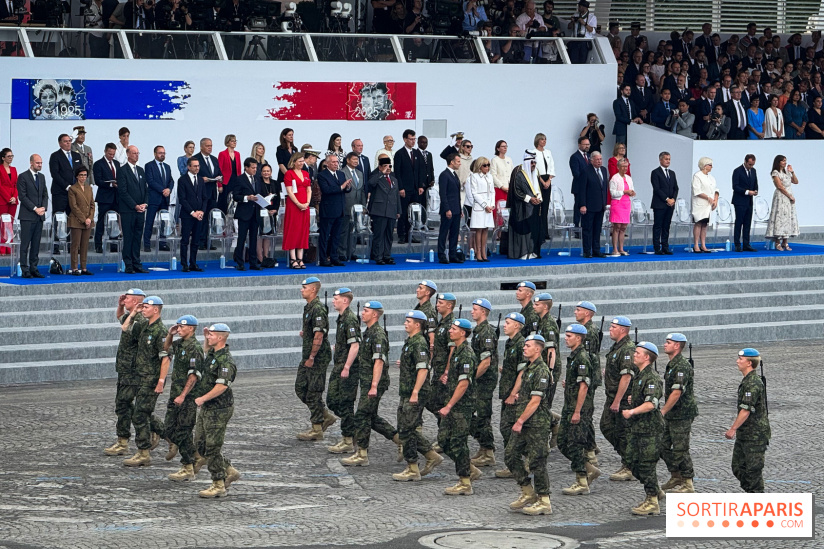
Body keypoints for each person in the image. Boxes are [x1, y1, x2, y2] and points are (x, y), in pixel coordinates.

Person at [341, 301, 401, 467]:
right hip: (368, 381)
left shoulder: (377, 334)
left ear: (375, 314)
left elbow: (379, 362)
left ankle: (362, 453)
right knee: (371, 417)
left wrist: (374, 385)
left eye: (366, 311)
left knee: (361, 415)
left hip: (375, 383)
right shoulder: (368, 332)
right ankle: (400, 440)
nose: (362, 314)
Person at [506, 332, 553, 516]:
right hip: (525, 421)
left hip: (536, 423)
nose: (524, 348)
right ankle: (527, 491)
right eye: (524, 345)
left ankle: (544, 500)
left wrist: (520, 420)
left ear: (538, 349)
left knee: (537, 461)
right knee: (510, 455)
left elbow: (536, 401)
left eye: (528, 345)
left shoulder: (541, 370)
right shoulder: (529, 367)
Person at [393, 310, 443, 481]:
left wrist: (415, 392)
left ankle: (412, 467)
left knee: (406, 429)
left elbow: (423, 369)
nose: (405, 323)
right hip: (407, 392)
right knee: (406, 428)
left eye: (409, 321)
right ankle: (431, 455)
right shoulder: (411, 342)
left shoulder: (419, 343)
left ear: (417, 325)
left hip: (415, 393)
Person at [122, 295, 169, 467]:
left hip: (151, 379)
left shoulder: (160, 331)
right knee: (142, 413)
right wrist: (134, 312)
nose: (144, 309)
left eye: (147, 307)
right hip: (140, 377)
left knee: (140, 414)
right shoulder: (144, 327)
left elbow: (165, 358)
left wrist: (161, 381)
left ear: (156, 310)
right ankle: (173, 439)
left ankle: (143, 453)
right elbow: (125, 327)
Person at [195, 323, 240, 498]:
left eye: (212, 335)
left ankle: (218, 484)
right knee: (200, 444)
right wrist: (206, 335)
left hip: (219, 408)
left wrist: (203, 398)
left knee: (212, 446)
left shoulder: (226, 361)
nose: (208, 337)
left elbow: (221, 386)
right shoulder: (214, 354)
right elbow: (207, 350)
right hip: (208, 407)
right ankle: (229, 469)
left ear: (221, 338)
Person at [103, 288, 147, 457]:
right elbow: (120, 317)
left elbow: (124, 326)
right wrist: (120, 306)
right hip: (124, 369)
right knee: (124, 405)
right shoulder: (132, 316)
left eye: (127, 298)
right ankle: (122, 441)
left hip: (132, 370)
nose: (124, 299)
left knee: (126, 405)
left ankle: (157, 431)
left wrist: (130, 313)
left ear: (136, 302)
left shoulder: (140, 319)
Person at [439, 318, 481, 496]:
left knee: (458, 442)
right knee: (443, 441)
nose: (450, 331)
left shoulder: (466, 354)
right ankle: (469, 469)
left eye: (454, 329)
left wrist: (449, 405)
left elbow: (464, 383)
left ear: (462, 333)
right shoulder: (457, 351)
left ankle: (465, 482)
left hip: (461, 407)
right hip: (453, 404)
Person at [621, 341, 664, 515]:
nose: (634, 355)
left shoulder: (652, 378)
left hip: (649, 429)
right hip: (637, 428)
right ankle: (654, 489)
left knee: (646, 465)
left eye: (638, 353)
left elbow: (651, 404)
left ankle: (652, 500)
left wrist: (632, 411)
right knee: (631, 461)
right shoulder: (639, 375)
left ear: (647, 357)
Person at [162, 315, 205, 482]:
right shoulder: (179, 344)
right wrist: (170, 334)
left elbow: (194, 376)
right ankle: (195, 455)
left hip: (187, 397)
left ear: (191, 329)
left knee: (183, 432)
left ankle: (187, 466)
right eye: (178, 326)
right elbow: (166, 350)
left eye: (181, 327)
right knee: (168, 429)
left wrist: (182, 395)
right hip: (176, 394)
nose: (178, 329)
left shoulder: (194, 348)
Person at [558, 323, 598, 495]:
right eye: (566, 335)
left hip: (578, 408)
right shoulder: (574, 356)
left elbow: (584, 387)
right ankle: (589, 468)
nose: (566, 338)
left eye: (569, 336)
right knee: (562, 442)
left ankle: (581, 481)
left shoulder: (581, 357)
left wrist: (577, 411)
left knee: (574, 444)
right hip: (570, 405)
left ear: (579, 338)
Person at [295, 277, 335, 441]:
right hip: (309, 354)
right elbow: (314, 332)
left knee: (313, 392)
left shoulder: (318, 309)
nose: (301, 290)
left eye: (304, 287)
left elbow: (319, 335)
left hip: (317, 356)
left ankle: (317, 428)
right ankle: (325, 415)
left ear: (313, 290)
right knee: (300, 388)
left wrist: (312, 356)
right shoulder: (309, 307)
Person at [725, 348, 771, 493]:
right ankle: (753, 494)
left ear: (749, 363)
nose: (737, 361)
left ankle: (758, 501)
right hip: (746, 434)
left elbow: (746, 410)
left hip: (755, 435)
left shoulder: (752, 383)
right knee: (738, 467)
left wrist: (733, 429)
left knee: (753, 471)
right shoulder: (747, 381)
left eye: (741, 359)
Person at [659, 333, 698, 494]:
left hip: (682, 413)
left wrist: (663, 410)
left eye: (668, 342)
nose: (664, 345)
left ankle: (688, 482)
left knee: (680, 448)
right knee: (662, 445)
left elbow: (677, 392)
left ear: (677, 346)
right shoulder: (672, 364)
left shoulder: (681, 366)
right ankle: (676, 475)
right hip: (672, 414)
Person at [600, 316, 636, 481]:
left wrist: (616, 401)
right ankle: (628, 460)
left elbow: (627, 376)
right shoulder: (617, 347)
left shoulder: (627, 348)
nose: (610, 329)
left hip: (621, 400)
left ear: (622, 329)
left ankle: (630, 466)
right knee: (607, 427)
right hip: (612, 396)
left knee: (622, 432)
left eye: (614, 327)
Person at [325, 288, 361, 455]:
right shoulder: (342, 319)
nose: (333, 301)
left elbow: (355, 345)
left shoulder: (350, 319)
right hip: (339, 364)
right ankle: (353, 429)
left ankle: (348, 439)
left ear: (345, 301)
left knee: (345, 403)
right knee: (332, 400)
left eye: (336, 298)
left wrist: (347, 367)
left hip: (347, 368)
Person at [495, 312, 526, 479]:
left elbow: (522, 371)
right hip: (507, 391)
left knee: (508, 428)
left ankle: (517, 462)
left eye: (508, 323)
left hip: (514, 395)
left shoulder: (521, 344)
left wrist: (514, 393)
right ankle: (514, 461)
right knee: (508, 428)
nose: (504, 325)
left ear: (517, 325)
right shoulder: (510, 343)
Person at [468, 299, 498, 467]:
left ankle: (488, 451)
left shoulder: (486, 332)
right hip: (480, 380)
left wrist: (471, 378)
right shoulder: (479, 331)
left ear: (483, 312)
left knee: (483, 415)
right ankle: (484, 447)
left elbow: (486, 362)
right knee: (477, 414)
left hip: (484, 380)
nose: (472, 312)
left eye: (475, 309)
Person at [425, 292, 456, 436]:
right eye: (437, 302)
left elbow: (452, 349)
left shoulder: (451, 324)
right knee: (433, 401)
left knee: (438, 402)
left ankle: (446, 433)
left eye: (441, 303)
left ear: (449, 305)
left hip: (444, 370)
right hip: (438, 368)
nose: (437, 305)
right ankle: (445, 431)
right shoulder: (441, 322)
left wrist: (447, 371)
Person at [117, 146, 149, 274]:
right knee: (129, 237)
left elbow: (146, 189)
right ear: (128, 154)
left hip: (141, 210)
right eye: (134, 153)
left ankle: (137, 263)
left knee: (137, 237)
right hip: (128, 210)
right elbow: (123, 192)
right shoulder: (122, 171)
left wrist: (145, 204)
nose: (136, 155)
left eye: (138, 153)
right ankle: (128, 264)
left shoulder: (141, 170)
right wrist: (135, 205)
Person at [317, 154, 352, 267]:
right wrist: (342, 187)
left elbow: (345, 189)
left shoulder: (341, 174)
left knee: (336, 236)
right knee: (325, 235)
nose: (336, 164)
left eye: (337, 162)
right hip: (328, 210)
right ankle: (323, 259)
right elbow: (327, 190)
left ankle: (334, 257)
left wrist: (347, 187)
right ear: (327, 163)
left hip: (340, 209)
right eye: (333, 162)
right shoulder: (322, 175)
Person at [16, 154, 48, 278]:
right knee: (25, 244)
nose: (40, 165)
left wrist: (43, 208)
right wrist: (35, 209)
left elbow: (45, 194)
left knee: (36, 244)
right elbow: (22, 196)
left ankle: (34, 267)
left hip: (39, 216)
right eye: (37, 163)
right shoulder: (23, 176)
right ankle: (25, 269)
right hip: (28, 216)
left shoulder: (42, 177)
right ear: (31, 163)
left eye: (41, 163)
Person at [50, 133, 82, 253]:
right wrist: (67, 186)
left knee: (72, 218)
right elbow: (55, 174)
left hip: (74, 192)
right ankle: (56, 246)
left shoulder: (76, 155)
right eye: (65, 141)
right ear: (60, 143)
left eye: (69, 141)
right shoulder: (55, 156)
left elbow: (80, 171)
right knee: (58, 218)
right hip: (60, 192)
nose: (68, 143)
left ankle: (71, 245)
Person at [393, 129, 425, 245]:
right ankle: (402, 235)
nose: (413, 141)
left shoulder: (417, 153)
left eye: (414, 139)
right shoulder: (399, 154)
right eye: (411, 139)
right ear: (405, 139)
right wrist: (400, 187)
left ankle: (412, 234)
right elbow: (397, 172)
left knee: (413, 212)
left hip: (415, 188)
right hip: (404, 189)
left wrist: (421, 185)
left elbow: (421, 170)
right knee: (403, 213)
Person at [507, 152, 541, 260]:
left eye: (535, 162)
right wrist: (529, 199)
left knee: (533, 229)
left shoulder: (535, 174)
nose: (533, 165)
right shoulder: (519, 174)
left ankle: (531, 251)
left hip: (533, 208)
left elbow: (537, 189)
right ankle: (522, 252)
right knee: (522, 230)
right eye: (532, 163)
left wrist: (537, 199)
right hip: (521, 208)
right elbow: (516, 191)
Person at [367, 157, 401, 265]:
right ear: (380, 167)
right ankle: (378, 256)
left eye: (390, 166)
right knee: (379, 234)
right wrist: (381, 173)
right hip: (379, 210)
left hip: (391, 209)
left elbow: (397, 196)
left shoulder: (394, 179)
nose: (388, 168)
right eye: (386, 166)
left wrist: (398, 210)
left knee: (389, 235)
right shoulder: (376, 176)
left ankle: (387, 255)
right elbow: (370, 184)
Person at [231, 157, 262, 271]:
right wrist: (247, 198)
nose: (255, 170)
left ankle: (253, 262)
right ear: (246, 168)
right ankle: (240, 262)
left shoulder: (257, 179)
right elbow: (235, 196)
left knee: (254, 239)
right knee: (242, 238)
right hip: (244, 213)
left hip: (255, 213)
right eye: (253, 167)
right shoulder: (240, 179)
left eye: (256, 167)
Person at [142, 145, 174, 252]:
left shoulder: (167, 167)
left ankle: (163, 243)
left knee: (164, 222)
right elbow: (150, 181)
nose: (162, 155)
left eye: (164, 153)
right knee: (150, 222)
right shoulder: (149, 166)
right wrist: (163, 190)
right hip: (154, 198)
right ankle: (147, 244)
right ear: (155, 153)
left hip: (165, 199)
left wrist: (169, 189)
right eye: (160, 153)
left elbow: (171, 181)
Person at [283, 153, 311, 269]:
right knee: (293, 230)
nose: (301, 163)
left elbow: (309, 189)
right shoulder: (289, 174)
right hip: (294, 205)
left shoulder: (306, 173)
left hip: (305, 204)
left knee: (303, 231)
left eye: (302, 161)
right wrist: (298, 204)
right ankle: (293, 258)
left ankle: (300, 258)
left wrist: (307, 203)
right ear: (294, 162)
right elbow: (289, 191)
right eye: (299, 161)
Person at [177, 157, 206, 272]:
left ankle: (193, 263)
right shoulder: (182, 180)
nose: (197, 168)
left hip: (199, 215)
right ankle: (184, 264)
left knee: (196, 240)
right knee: (185, 240)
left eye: (198, 166)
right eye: (195, 166)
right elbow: (182, 199)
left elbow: (204, 198)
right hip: (187, 214)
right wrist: (192, 212)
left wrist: (202, 211)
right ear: (188, 167)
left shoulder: (200, 179)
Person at [765, 154, 799, 250]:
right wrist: (789, 196)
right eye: (783, 161)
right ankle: (777, 242)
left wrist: (792, 172)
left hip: (788, 197)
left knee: (787, 218)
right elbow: (779, 186)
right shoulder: (775, 172)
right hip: (781, 196)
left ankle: (785, 241)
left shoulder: (786, 172)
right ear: (778, 162)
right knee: (780, 218)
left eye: (785, 160)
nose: (785, 162)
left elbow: (796, 182)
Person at [193, 138, 222, 251]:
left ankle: (208, 241)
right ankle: (199, 241)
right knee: (201, 217)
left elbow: (218, 172)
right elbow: (191, 175)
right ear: (201, 147)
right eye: (207, 146)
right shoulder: (196, 159)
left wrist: (219, 178)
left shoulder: (214, 159)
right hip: (201, 192)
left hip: (212, 192)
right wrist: (201, 179)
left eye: (211, 145)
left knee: (210, 217)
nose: (210, 147)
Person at [579, 151, 608, 258]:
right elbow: (581, 189)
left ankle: (596, 250)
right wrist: (582, 204)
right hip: (589, 205)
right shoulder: (586, 171)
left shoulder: (604, 170)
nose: (599, 161)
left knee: (597, 229)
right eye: (597, 159)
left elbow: (604, 188)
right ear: (591, 160)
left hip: (600, 205)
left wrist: (605, 203)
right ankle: (587, 251)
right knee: (588, 229)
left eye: (600, 159)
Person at [67, 166, 95, 275]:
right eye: (81, 175)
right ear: (77, 176)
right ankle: (74, 267)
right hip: (77, 220)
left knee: (85, 244)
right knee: (75, 244)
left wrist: (90, 218)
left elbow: (92, 205)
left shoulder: (89, 188)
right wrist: (84, 219)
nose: (83, 177)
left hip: (88, 220)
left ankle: (84, 267)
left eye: (85, 175)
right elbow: (73, 207)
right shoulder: (73, 189)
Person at [650, 152, 678, 255]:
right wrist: (667, 199)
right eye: (666, 159)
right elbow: (657, 189)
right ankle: (657, 247)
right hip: (660, 204)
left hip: (670, 205)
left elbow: (676, 188)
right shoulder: (655, 173)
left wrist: (673, 199)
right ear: (660, 160)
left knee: (666, 226)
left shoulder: (672, 173)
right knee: (658, 226)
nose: (668, 161)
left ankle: (665, 246)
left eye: (669, 159)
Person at [437, 153, 463, 264]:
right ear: (451, 162)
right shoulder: (444, 175)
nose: (460, 163)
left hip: (456, 209)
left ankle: (453, 254)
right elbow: (443, 194)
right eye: (458, 161)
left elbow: (457, 194)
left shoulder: (454, 175)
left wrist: (460, 209)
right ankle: (442, 254)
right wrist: (447, 209)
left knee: (454, 233)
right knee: (444, 232)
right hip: (448, 209)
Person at [731, 154, 759, 252]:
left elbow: (755, 182)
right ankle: (737, 244)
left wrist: (755, 190)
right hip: (739, 200)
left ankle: (746, 244)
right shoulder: (737, 171)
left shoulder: (753, 171)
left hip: (749, 201)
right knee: (739, 222)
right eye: (749, 164)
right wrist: (747, 191)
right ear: (745, 161)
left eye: (752, 165)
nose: (751, 166)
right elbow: (735, 186)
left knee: (747, 223)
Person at [469, 157, 494, 262]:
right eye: (484, 165)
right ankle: (478, 252)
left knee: (486, 229)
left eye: (488, 165)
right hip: (480, 206)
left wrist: (491, 205)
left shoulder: (490, 177)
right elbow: (474, 193)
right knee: (479, 229)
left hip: (488, 205)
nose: (487, 167)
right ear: (479, 166)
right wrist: (485, 205)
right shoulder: (474, 177)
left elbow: (492, 191)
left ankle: (484, 251)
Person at [690, 157, 718, 253]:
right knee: (698, 223)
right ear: (705, 166)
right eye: (710, 165)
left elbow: (716, 190)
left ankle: (703, 244)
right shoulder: (697, 176)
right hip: (700, 204)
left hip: (708, 205)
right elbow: (697, 190)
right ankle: (696, 244)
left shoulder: (711, 178)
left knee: (705, 224)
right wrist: (708, 198)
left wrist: (715, 200)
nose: (711, 167)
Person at [608, 158, 635, 257]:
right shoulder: (614, 178)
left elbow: (631, 189)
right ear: (618, 167)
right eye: (623, 166)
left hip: (626, 203)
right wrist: (624, 192)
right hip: (617, 203)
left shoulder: (629, 178)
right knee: (617, 226)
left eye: (626, 166)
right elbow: (613, 193)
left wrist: (632, 193)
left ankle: (621, 248)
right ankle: (615, 249)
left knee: (623, 227)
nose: (625, 168)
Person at [569, 137, 591, 227]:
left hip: (589, 187)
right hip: (579, 186)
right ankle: (577, 227)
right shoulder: (575, 157)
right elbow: (576, 173)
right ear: (579, 145)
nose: (587, 146)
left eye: (588, 144)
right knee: (578, 207)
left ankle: (586, 226)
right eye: (585, 144)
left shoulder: (590, 156)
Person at [217, 134, 242, 213]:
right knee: (224, 202)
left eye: (235, 141)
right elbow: (219, 170)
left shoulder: (237, 154)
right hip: (226, 182)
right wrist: (219, 185)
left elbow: (239, 169)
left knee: (235, 201)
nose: (234, 142)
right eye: (232, 141)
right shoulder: (222, 154)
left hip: (236, 181)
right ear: (227, 142)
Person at [0, 148, 18, 256]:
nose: (11, 158)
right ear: (3, 158)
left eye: (12, 156)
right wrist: (8, 197)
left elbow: (16, 185)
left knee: (10, 224)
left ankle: (9, 247)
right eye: (8, 156)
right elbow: (0, 186)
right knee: (3, 223)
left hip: (13, 200)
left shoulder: (14, 169)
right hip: (3, 199)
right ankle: (2, 248)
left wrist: (14, 197)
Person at [490, 140, 513, 209]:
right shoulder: (494, 160)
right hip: (499, 189)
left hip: (509, 188)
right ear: (498, 148)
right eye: (503, 146)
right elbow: (493, 175)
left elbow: (512, 173)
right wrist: (502, 186)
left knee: (508, 209)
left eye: (506, 146)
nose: (505, 148)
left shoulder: (509, 159)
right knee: (499, 209)